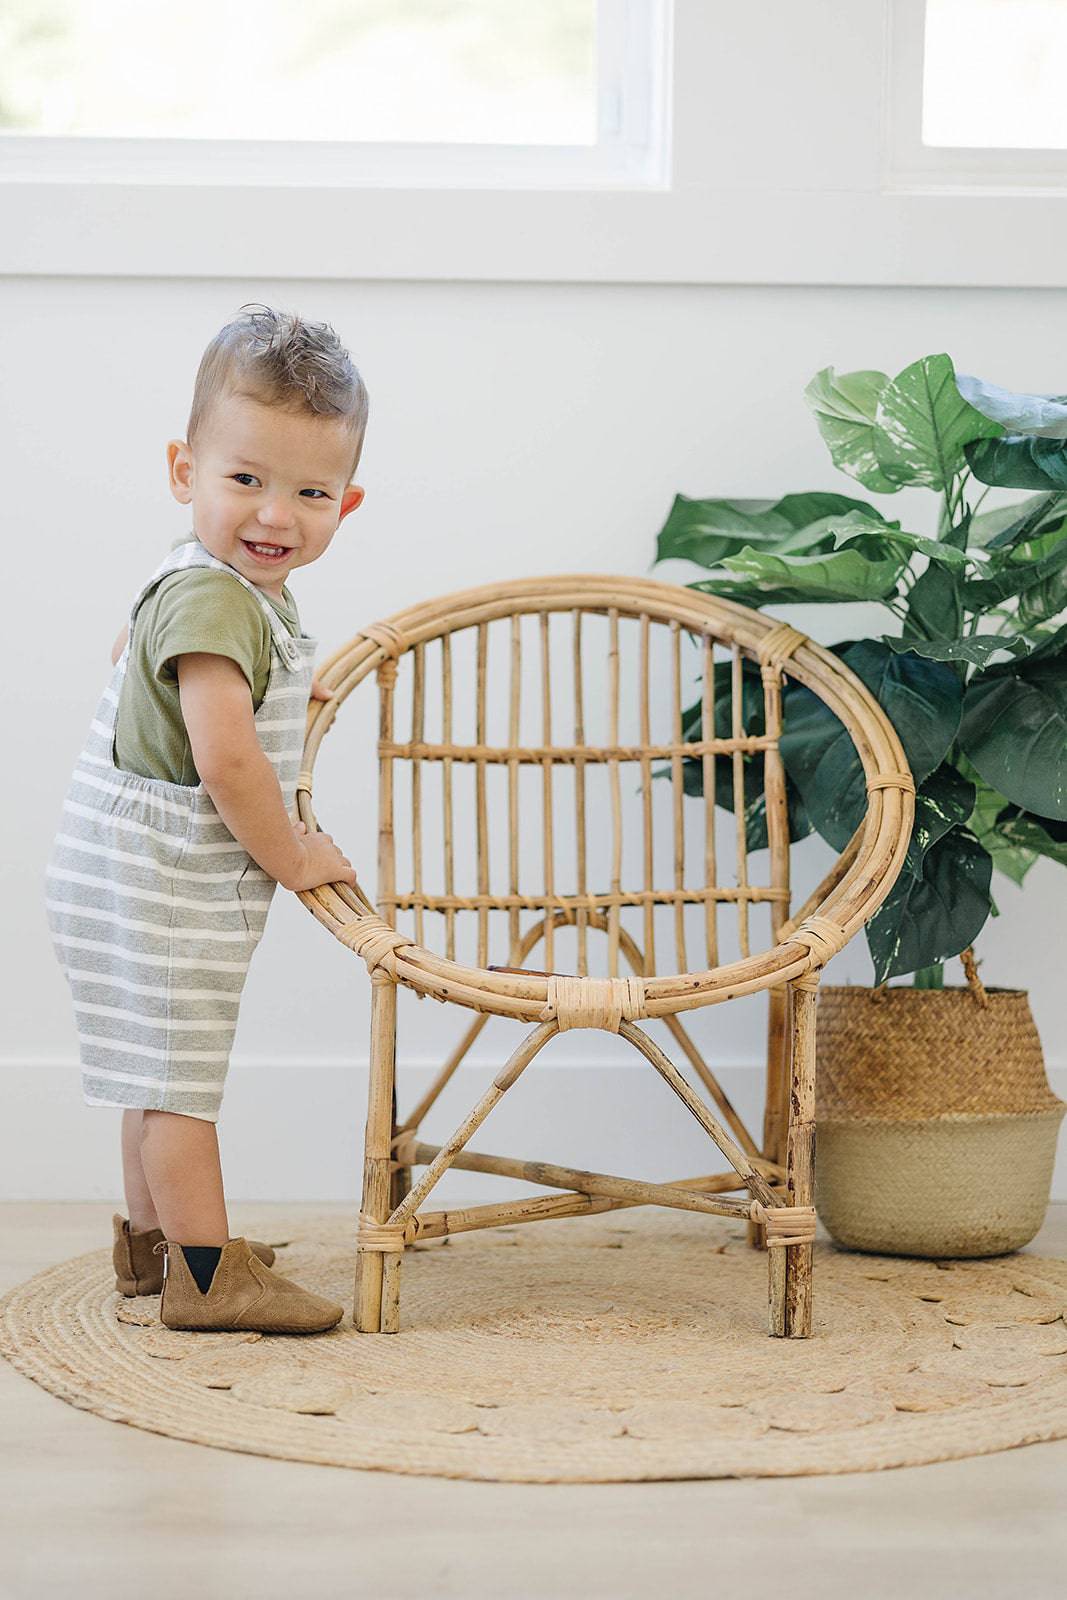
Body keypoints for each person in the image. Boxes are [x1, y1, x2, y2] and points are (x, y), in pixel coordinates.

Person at [44, 303, 365, 1334]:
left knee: (150, 1067)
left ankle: (155, 1248)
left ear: (346, 503)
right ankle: (207, 1275)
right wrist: (294, 854)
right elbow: (223, 757)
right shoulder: (223, 602)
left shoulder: (198, 581)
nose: (275, 514)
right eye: (245, 480)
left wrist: (280, 692)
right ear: (185, 469)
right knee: (182, 1088)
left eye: (308, 492)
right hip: (157, 882)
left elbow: (132, 670)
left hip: (111, 868)